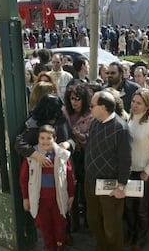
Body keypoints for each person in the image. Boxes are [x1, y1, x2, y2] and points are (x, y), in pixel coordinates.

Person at [84, 91, 132, 251]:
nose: (89, 108)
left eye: (92, 105)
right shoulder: (95, 122)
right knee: (93, 222)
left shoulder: (121, 128)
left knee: (112, 227)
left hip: (110, 186)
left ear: (103, 107)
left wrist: (121, 187)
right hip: (90, 183)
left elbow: (126, 160)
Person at [19, 125, 75, 251]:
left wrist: (71, 195)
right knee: (45, 227)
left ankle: (60, 246)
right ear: (38, 139)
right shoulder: (32, 156)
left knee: (60, 226)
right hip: (41, 200)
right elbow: (24, 179)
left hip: (58, 198)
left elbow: (70, 176)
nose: (45, 141)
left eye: (48, 138)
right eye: (42, 138)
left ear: (54, 139)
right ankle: (50, 247)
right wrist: (25, 198)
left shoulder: (61, 155)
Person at [125, 88, 149, 250]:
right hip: (128, 172)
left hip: (143, 174)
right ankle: (132, 234)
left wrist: (148, 171)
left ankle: (141, 238)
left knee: (141, 210)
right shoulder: (130, 118)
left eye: (139, 103)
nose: (134, 105)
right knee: (129, 208)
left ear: (147, 105)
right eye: (133, 101)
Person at [63, 84, 93, 231]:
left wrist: (81, 136)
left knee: (86, 191)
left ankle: (88, 221)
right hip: (70, 156)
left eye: (77, 98)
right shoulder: (64, 113)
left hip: (86, 156)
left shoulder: (91, 115)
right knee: (71, 189)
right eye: (71, 98)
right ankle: (74, 224)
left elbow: (94, 138)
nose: (74, 102)